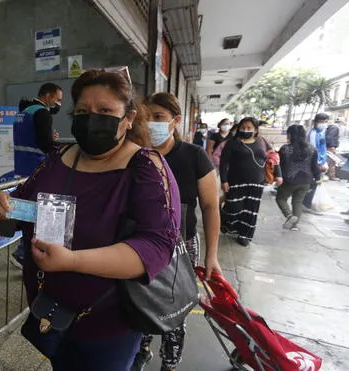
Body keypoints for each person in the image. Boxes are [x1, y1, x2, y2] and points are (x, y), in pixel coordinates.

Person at [0, 70, 180, 371]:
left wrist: (73, 260)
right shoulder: (58, 157)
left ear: (128, 118)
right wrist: (1, 204)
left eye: (105, 111)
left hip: (108, 325)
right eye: (82, 111)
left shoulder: (146, 168)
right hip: (52, 312)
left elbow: (155, 247)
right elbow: (22, 202)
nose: (92, 119)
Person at [132, 92, 222, 371]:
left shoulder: (193, 156)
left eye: (158, 118)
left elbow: (210, 206)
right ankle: (140, 351)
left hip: (183, 246)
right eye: (147, 118)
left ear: (175, 121)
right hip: (142, 244)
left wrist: (212, 256)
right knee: (140, 303)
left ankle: (169, 362)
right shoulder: (134, 154)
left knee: (176, 308)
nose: (151, 125)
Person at [11, 83, 64, 268]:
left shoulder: (23, 112)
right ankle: (21, 253)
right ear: (48, 96)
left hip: (21, 168)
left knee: (29, 211)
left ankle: (22, 251)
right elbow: (44, 144)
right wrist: (62, 151)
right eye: (57, 100)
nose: (58, 104)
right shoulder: (42, 113)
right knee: (38, 213)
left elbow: (29, 137)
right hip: (37, 168)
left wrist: (49, 137)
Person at [220, 117, 283, 246]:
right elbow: (223, 163)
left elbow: (274, 157)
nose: (245, 130)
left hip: (256, 182)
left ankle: (245, 235)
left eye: (249, 128)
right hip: (236, 181)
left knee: (251, 210)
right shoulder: (232, 143)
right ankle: (228, 223)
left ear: (255, 130)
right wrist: (224, 180)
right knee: (234, 208)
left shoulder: (262, 141)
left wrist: (278, 175)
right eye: (243, 127)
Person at [275, 125, 321, 231]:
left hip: (289, 180)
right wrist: (318, 178)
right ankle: (294, 226)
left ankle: (290, 216)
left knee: (281, 198)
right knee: (298, 202)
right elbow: (315, 166)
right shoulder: (312, 149)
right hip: (306, 180)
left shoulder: (285, 149)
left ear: (290, 135)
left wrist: (277, 177)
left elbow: (280, 165)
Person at [303, 113, 330, 214]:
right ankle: (306, 205)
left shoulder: (321, 133)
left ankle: (306, 204)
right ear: (315, 122)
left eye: (325, 122)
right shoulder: (313, 134)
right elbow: (313, 151)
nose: (323, 124)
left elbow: (322, 149)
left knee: (314, 184)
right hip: (315, 163)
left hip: (320, 162)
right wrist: (318, 164)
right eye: (321, 122)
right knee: (313, 183)